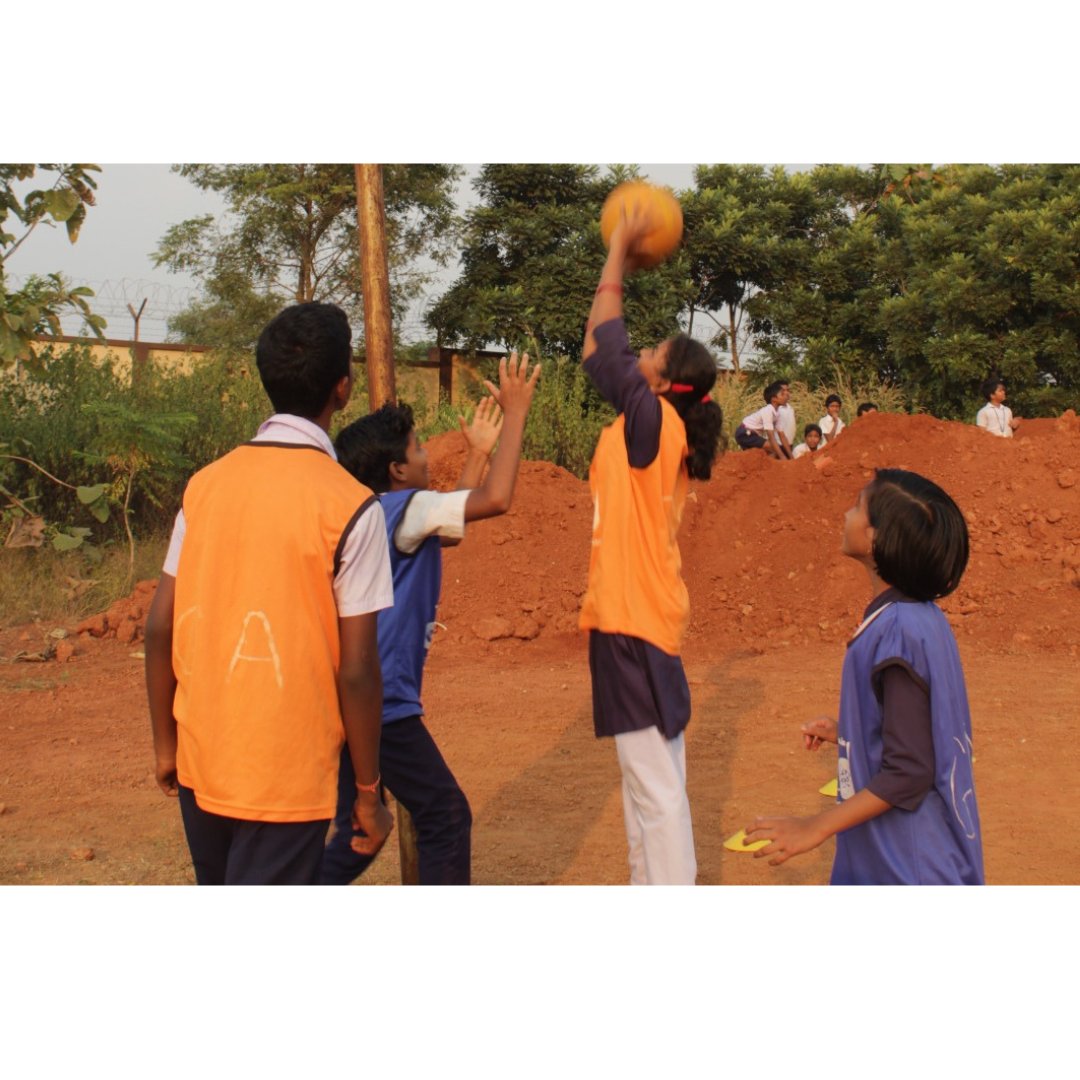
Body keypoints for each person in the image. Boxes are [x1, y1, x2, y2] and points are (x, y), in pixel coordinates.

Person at [144, 302, 395, 885]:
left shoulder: (205, 486)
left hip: (202, 758)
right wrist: (366, 792)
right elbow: (357, 668)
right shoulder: (351, 505)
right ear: (344, 387)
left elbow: (160, 627)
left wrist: (165, 745)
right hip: (285, 776)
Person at [319, 356, 540, 886]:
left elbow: (451, 523)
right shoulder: (406, 507)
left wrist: (478, 453)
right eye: (418, 448)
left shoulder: (374, 512)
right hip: (385, 704)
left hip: (348, 699)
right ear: (397, 470)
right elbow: (496, 499)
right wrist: (515, 416)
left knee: (358, 834)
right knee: (445, 815)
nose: (424, 455)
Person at [744, 469, 984, 885]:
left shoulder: (896, 631)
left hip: (907, 866)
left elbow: (909, 772)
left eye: (857, 506)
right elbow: (918, 730)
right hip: (916, 856)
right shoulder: (919, 618)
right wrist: (850, 733)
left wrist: (815, 826)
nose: (845, 513)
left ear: (876, 538)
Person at [579, 203, 724, 885]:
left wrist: (618, 250)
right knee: (656, 782)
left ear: (664, 383)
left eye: (650, 357)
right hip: (650, 619)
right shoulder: (656, 425)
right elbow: (600, 350)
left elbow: (603, 338)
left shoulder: (651, 420)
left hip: (631, 621)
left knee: (654, 791)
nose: (638, 359)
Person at [735, 381, 793, 459]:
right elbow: (771, 436)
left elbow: (782, 436)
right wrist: (783, 457)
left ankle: (762, 469)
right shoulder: (768, 410)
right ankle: (767, 469)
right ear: (774, 399)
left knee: (766, 452)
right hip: (745, 433)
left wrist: (791, 457)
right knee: (773, 449)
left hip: (751, 434)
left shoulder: (777, 413)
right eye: (782, 394)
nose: (785, 396)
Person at [776, 383, 796, 450]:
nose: (786, 392)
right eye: (783, 391)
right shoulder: (776, 409)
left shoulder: (790, 408)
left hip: (789, 445)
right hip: (778, 446)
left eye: (788, 390)